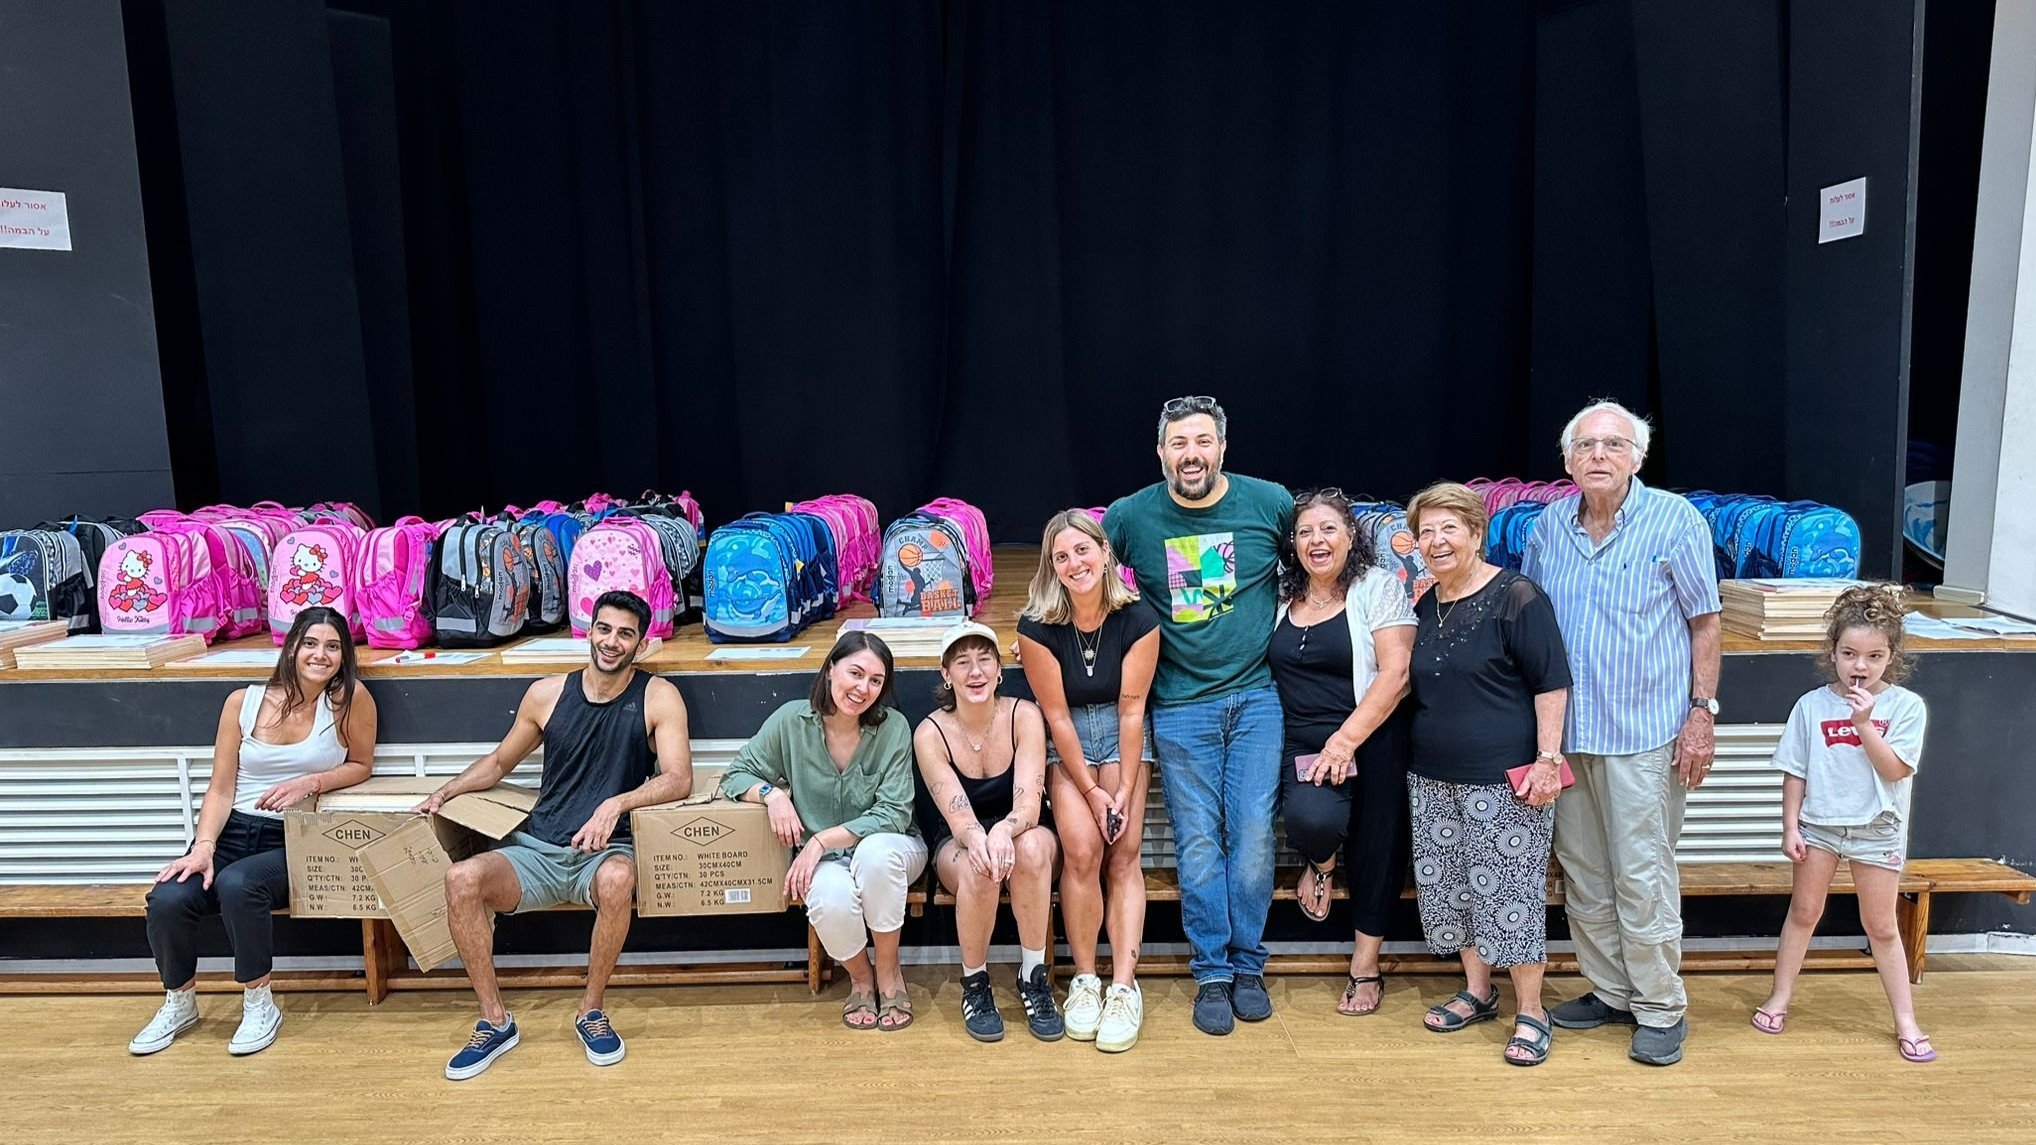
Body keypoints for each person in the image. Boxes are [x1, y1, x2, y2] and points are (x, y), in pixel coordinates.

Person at [1522, 399, 1722, 1067]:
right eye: (1586, 446)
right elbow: (1533, 626)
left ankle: (1661, 1006)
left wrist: (1702, 713)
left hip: (1646, 733)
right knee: (1584, 872)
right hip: (1567, 735)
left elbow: (1705, 622)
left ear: (1638, 457)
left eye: (1613, 444)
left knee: (1642, 874)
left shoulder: (1675, 520)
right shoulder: (1548, 526)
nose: (1599, 455)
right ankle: (1611, 991)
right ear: (1568, 461)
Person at [423, 590, 692, 1080]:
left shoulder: (658, 696)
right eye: (604, 629)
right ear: (589, 631)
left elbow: (679, 778)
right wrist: (445, 791)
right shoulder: (546, 694)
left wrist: (616, 803)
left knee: (617, 880)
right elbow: (499, 763)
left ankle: (591, 1011)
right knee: (461, 879)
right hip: (538, 851)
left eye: (625, 634)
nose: (611, 642)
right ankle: (495, 1021)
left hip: (607, 851)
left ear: (641, 644)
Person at [1104, 395, 1293, 1035]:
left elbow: (1320, 563)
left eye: (1203, 441)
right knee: (1199, 842)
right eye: (1179, 443)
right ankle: (1211, 972)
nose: (1192, 454)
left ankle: (1248, 966)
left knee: (1254, 837)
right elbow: (1079, 571)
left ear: (1222, 448)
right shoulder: (1130, 516)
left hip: (1257, 699)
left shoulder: (1269, 503)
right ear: (1161, 452)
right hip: (1181, 704)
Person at [132, 607, 378, 1057]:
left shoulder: (350, 700)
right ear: (292, 647)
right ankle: (179, 1001)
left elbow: (361, 764)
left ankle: (259, 1002)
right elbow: (220, 789)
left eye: (332, 646)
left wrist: (311, 782)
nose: (320, 655)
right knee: (168, 897)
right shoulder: (241, 703)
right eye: (310, 643)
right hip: (231, 831)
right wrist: (203, 847)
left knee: (239, 885)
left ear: (344, 656)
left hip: (294, 836)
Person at [1403, 482, 1571, 1066]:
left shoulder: (1516, 595)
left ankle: (1533, 1011)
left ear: (1477, 533)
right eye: (1426, 531)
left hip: (1506, 780)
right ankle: (1477, 992)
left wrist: (1548, 760)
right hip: (1431, 777)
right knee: (1454, 892)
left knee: (1511, 898)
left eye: (1449, 528)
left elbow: (1552, 682)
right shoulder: (1426, 604)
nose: (1436, 541)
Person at [1754, 585, 1934, 1062]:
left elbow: (1894, 770)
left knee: (1881, 926)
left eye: (1874, 656)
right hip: (1819, 827)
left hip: (1877, 829)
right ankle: (1778, 999)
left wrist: (1865, 725)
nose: (1860, 666)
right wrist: (1790, 827)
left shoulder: (1906, 707)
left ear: (1891, 657)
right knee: (1803, 913)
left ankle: (1906, 1021)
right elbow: (1795, 770)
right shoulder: (1811, 706)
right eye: (1850, 653)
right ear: (1832, 652)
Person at [721, 631, 926, 1032]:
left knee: (875, 855)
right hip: (827, 860)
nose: (863, 688)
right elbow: (736, 774)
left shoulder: (894, 727)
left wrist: (820, 840)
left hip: (893, 847)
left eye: (876, 680)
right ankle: (862, 980)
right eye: (855, 673)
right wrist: (771, 796)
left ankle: (889, 975)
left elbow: (894, 814)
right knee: (829, 896)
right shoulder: (791, 721)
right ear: (831, 669)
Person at [1016, 509, 1160, 1051]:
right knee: (1081, 852)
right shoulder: (1036, 626)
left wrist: (1121, 789)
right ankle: (1084, 980)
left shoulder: (1139, 618)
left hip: (1124, 733)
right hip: (1069, 735)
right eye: (1061, 556)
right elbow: (1055, 717)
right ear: (1051, 567)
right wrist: (1093, 790)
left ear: (1104, 553)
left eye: (1082, 550)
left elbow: (1132, 710)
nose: (1074, 563)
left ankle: (1123, 987)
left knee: (1123, 853)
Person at [1270, 489, 1415, 1017]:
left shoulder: (1377, 586)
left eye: (1328, 529)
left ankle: (1365, 967)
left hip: (1372, 735)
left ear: (1351, 536)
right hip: (1302, 742)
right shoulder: (1282, 594)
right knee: (1310, 821)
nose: (1317, 540)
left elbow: (1397, 673)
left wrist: (1345, 740)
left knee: (1378, 848)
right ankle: (1322, 864)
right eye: (1305, 532)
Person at [914, 621, 1062, 1042]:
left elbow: (1029, 805)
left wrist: (1004, 831)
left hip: (1025, 830)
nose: (975, 671)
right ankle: (976, 985)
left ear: (999, 670)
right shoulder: (930, 733)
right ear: (946, 674)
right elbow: (958, 817)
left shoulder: (1024, 715)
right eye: (962, 662)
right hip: (960, 840)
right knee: (978, 866)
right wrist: (981, 838)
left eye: (984, 660)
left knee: (1029, 849)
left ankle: (1034, 978)